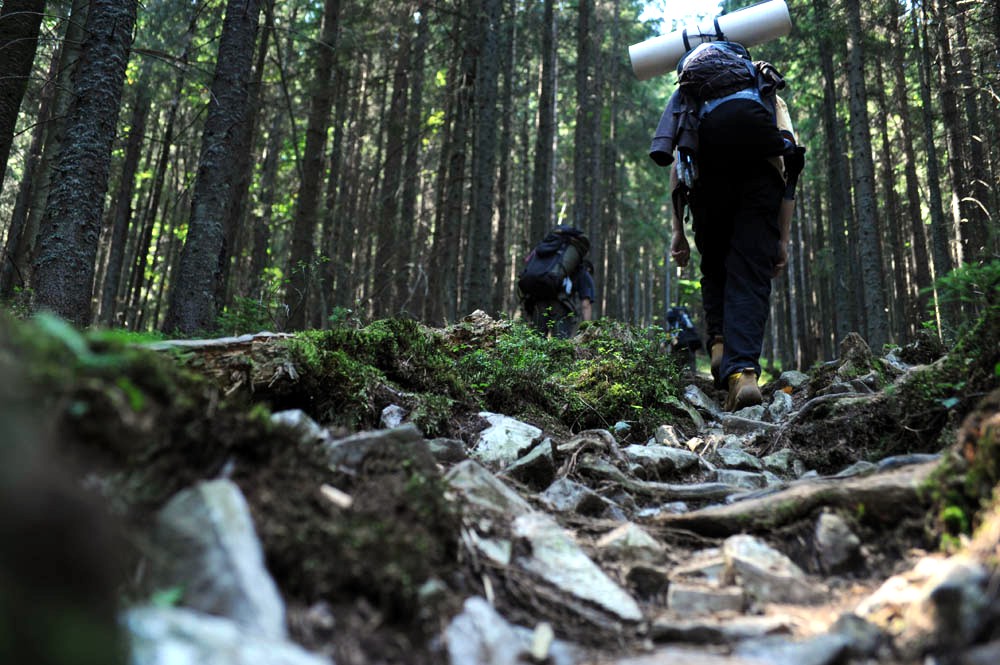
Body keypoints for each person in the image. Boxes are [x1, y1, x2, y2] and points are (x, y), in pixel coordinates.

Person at [649, 40, 805, 411]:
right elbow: (789, 162)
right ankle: (744, 373)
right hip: (761, 182)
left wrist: (678, 232)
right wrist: (781, 239)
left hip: (707, 185)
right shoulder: (761, 82)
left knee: (715, 265)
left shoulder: (690, 93)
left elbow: (676, 166)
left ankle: (719, 345)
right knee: (749, 274)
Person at [520, 236, 595, 339]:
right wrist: (588, 330)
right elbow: (586, 304)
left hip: (538, 302)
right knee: (561, 346)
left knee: (535, 342)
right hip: (560, 306)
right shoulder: (582, 272)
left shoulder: (550, 264)